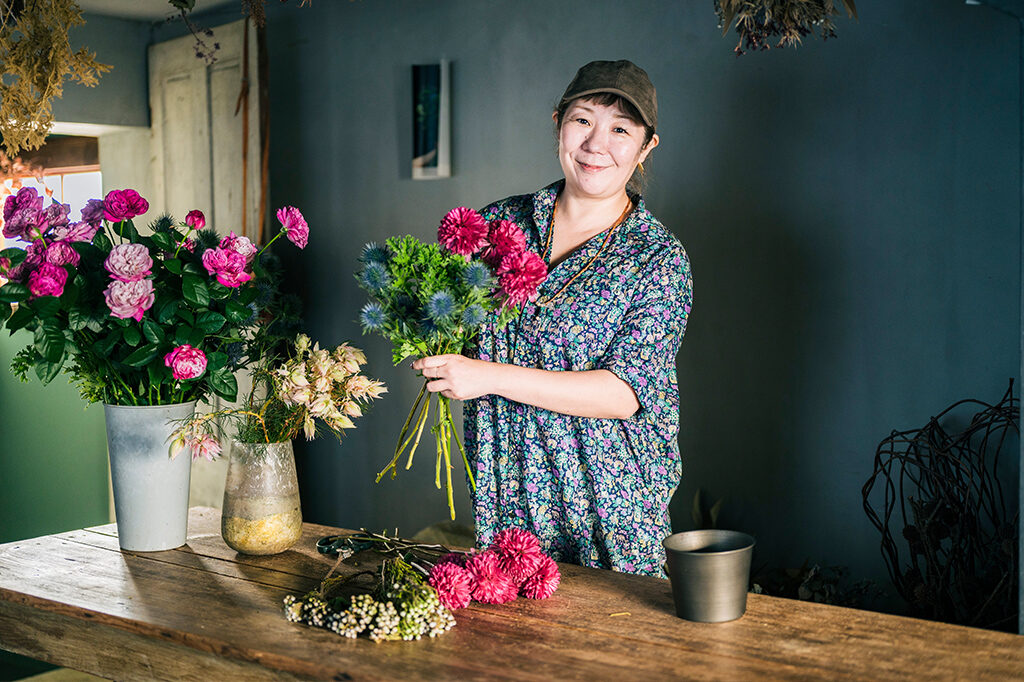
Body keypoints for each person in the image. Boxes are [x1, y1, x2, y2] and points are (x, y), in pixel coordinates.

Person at [412, 60, 692, 577]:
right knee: (511, 650)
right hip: (508, 494)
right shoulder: (498, 224)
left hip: (607, 508)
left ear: (646, 147)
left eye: (620, 130)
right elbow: (447, 321)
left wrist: (485, 376)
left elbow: (624, 393)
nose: (596, 143)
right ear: (558, 121)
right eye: (583, 120)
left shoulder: (657, 257)